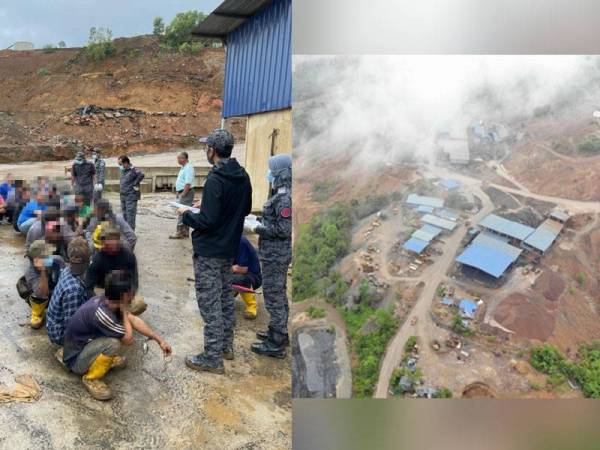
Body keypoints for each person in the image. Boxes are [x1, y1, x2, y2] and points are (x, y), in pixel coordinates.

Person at [178, 129, 252, 374]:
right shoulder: (243, 176)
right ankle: (225, 347)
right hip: (228, 249)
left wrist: (187, 214)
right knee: (224, 300)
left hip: (209, 252)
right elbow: (243, 208)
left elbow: (207, 222)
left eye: (206, 147)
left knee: (210, 304)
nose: (205, 151)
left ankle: (211, 358)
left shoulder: (216, 179)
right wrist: (209, 205)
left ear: (212, 150)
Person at [62, 270, 172, 400]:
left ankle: (100, 360)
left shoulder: (109, 300)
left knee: (118, 331)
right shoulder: (103, 313)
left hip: (83, 345)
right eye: (131, 292)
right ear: (125, 295)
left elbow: (134, 320)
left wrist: (159, 340)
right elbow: (128, 339)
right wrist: (125, 311)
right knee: (113, 343)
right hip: (75, 361)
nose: (134, 294)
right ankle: (91, 378)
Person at [246, 154, 292, 358]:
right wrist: (255, 218)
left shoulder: (284, 198)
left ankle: (277, 343)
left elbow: (283, 229)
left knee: (273, 296)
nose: (269, 173)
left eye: (272, 170)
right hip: (273, 253)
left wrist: (257, 229)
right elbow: (272, 220)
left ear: (280, 173)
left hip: (276, 255)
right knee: (278, 294)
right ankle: (278, 331)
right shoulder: (281, 194)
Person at [84, 223, 146, 315]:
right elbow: (88, 286)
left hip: (122, 292)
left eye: (115, 240)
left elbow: (134, 279)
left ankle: (120, 314)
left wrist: (130, 295)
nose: (113, 246)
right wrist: (100, 302)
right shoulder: (97, 259)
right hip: (103, 292)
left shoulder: (128, 255)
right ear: (103, 244)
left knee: (140, 303)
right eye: (109, 242)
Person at [46, 238, 91, 347]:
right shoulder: (74, 290)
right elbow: (72, 326)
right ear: (88, 260)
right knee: (107, 339)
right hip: (60, 333)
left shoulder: (67, 269)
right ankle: (68, 351)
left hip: (53, 322)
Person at [23, 240, 65, 329]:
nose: (50, 257)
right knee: (35, 324)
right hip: (42, 297)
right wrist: (43, 270)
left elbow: (65, 279)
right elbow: (42, 294)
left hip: (56, 289)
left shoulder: (57, 260)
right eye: (46, 256)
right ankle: (38, 313)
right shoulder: (30, 273)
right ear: (36, 260)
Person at [232, 236, 262, 320]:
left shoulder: (241, 242)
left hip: (252, 275)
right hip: (235, 271)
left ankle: (252, 305)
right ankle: (229, 295)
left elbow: (242, 269)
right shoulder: (225, 239)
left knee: (238, 278)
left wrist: (223, 269)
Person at [169, 151, 195, 239]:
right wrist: (178, 192)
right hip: (182, 192)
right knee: (185, 212)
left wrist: (183, 194)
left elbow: (188, 183)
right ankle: (185, 232)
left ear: (185, 159)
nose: (178, 160)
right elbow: (182, 181)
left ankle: (179, 232)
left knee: (182, 211)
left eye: (179, 158)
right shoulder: (183, 167)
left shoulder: (188, 168)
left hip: (186, 192)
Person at [118, 155, 144, 230]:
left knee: (130, 216)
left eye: (120, 164)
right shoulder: (124, 170)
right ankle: (126, 232)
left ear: (126, 163)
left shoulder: (133, 170)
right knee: (124, 215)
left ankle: (131, 233)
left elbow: (141, 175)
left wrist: (135, 183)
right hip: (123, 196)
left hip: (131, 196)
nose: (120, 166)